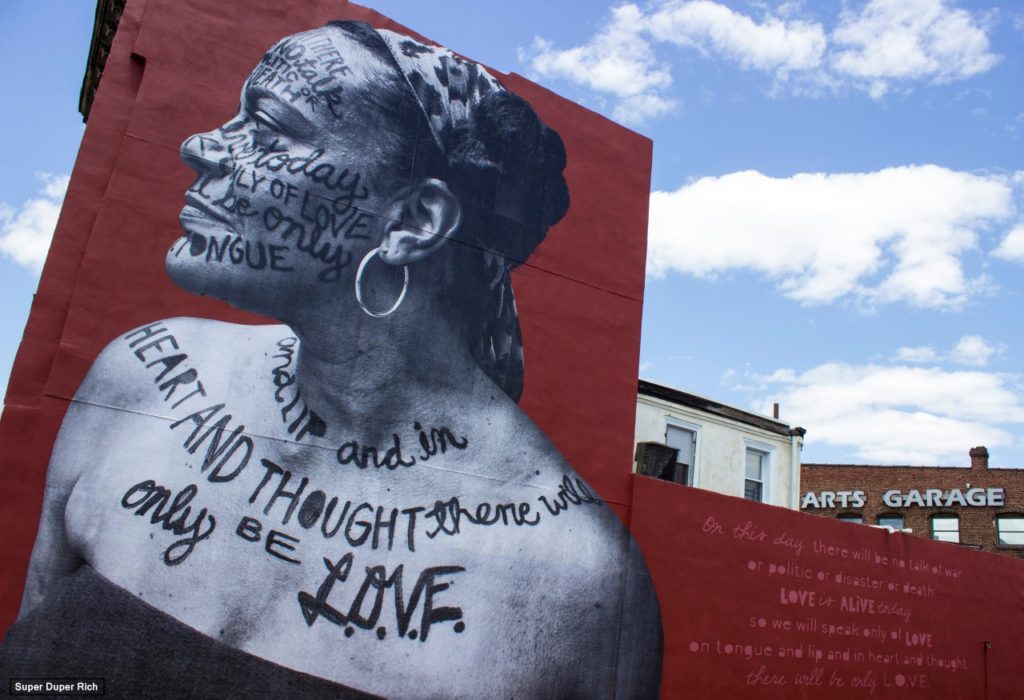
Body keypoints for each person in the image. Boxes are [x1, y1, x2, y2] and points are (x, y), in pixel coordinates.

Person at [7, 21, 662, 698]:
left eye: (265, 126)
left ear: (412, 223)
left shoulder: (580, 579)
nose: (199, 146)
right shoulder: (141, 377)